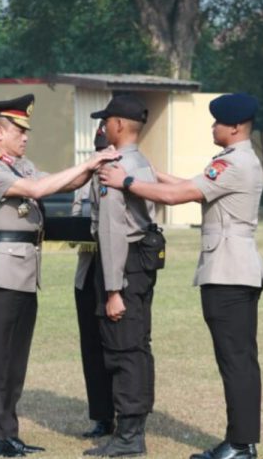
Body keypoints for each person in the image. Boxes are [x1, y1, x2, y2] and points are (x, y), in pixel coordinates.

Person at [99, 92, 263, 459]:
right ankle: (241, 441)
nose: (213, 126)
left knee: (235, 360)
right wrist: (148, 172)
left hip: (229, 273)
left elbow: (179, 196)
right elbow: (184, 186)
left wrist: (126, 182)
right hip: (235, 269)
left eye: (218, 122)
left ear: (235, 127)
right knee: (238, 358)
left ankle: (240, 444)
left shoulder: (233, 164)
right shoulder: (235, 161)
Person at [0, 93, 119, 457]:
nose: (25, 137)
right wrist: (94, 159)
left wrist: (93, 165)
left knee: (15, 359)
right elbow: (38, 190)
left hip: (22, 272)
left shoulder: (22, 165)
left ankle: (7, 432)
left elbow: (60, 183)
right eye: (19, 130)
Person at [83, 95, 160, 458]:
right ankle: (134, 428)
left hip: (124, 266)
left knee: (122, 348)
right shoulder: (141, 164)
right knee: (138, 346)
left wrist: (113, 289)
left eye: (106, 121)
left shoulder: (113, 169)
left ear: (116, 125)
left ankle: (129, 437)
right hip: (142, 265)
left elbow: (112, 231)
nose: (103, 127)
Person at [72, 121, 116, 439]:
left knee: (118, 345)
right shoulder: (82, 181)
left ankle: (127, 414)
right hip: (88, 271)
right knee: (92, 346)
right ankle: (102, 416)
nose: (103, 157)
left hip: (117, 275)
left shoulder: (127, 178)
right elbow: (76, 225)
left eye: (108, 151)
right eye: (99, 151)